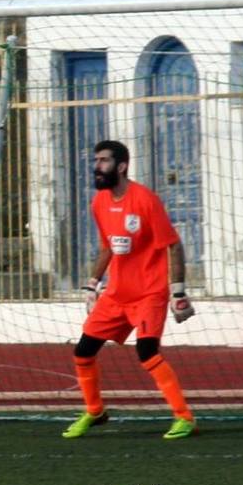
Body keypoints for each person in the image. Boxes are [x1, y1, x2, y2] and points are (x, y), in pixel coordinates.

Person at [62, 140, 197, 440]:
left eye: (104, 161)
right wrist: (92, 283)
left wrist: (178, 292)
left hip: (149, 293)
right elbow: (106, 247)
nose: (97, 167)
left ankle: (184, 418)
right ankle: (95, 412)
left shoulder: (146, 200)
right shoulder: (99, 202)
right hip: (116, 295)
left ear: (121, 166)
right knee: (83, 352)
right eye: (96, 160)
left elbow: (174, 246)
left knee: (147, 352)